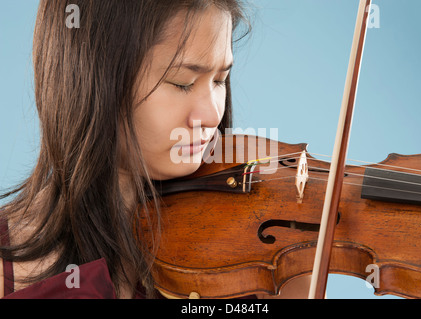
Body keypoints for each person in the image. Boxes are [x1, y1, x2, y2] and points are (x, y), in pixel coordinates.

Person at [0, 0, 310, 299]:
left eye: (220, 80)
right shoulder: (6, 267)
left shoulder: (254, 261)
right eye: (182, 82)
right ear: (91, 80)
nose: (212, 115)